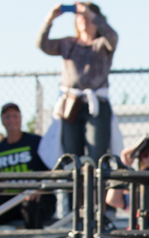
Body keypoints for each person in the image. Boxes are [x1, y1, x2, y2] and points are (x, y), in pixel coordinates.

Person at [37, 3, 121, 167]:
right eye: (79, 17)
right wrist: (50, 18)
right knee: (71, 156)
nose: (83, 20)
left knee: (98, 154)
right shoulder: (68, 43)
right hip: (71, 105)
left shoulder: (103, 45)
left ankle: (96, 189)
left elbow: (113, 36)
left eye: (86, 17)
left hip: (96, 104)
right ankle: (73, 191)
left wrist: (89, 13)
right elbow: (42, 44)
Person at [0, 103, 55, 229]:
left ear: (21, 118)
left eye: (15, 116)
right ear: (2, 120)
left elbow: (52, 170)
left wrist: (41, 189)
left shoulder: (36, 142)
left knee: (30, 206)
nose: (11, 120)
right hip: (12, 201)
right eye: (7, 117)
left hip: (38, 198)